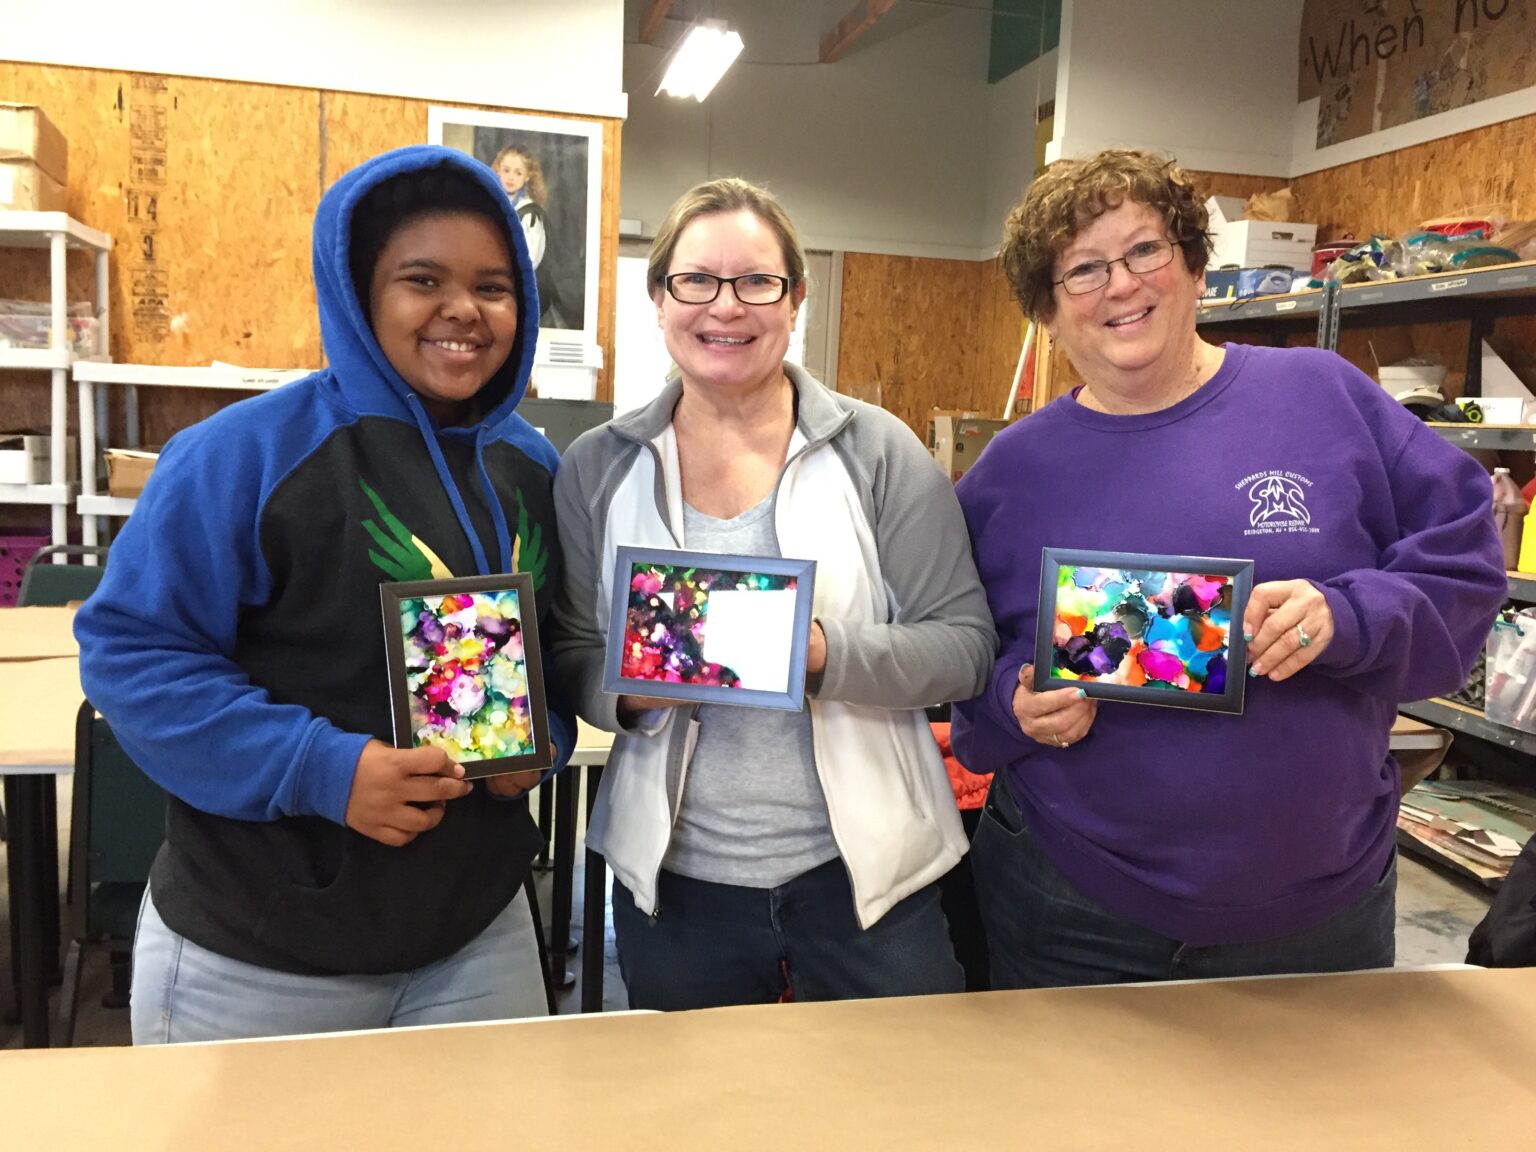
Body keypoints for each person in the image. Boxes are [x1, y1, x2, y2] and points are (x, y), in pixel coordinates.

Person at [951, 147, 1507, 989]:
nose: (1122, 285)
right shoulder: (1008, 474)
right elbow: (959, 652)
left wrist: (1348, 617)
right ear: (1047, 310)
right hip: (1073, 903)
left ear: (1192, 265)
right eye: (1084, 269)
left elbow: (1463, 567)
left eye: (1145, 250)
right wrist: (1012, 700)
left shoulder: (1323, 397)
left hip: (1319, 908)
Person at [74, 145, 574, 1043]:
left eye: (494, 286)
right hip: (261, 950)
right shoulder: (245, 455)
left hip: (475, 935)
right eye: (423, 279)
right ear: (359, 292)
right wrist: (323, 771)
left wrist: (544, 743)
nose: (463, 308)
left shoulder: (531, 466)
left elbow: (556, 646)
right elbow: (134, 656)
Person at [551, 177, 996, 1010]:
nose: (726, 306)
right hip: (676, 885)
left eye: (757, 281)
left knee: (899, 1085)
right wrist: (631, 693)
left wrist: (819, 653)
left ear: (795, 300)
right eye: (697, 280)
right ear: (659, 298)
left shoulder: (879, 452)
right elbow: (572, 649)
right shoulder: (599, 465)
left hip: (868, 881)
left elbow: (965, 647)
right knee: (696, 1091)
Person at [492, 143, 563, 329]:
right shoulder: (493, 205)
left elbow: (529, 261)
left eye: (518, 173)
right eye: (506, 170)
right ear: (498, 170)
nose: (511, 177)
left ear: (527, 177)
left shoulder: (530, 214)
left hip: (522, 291)